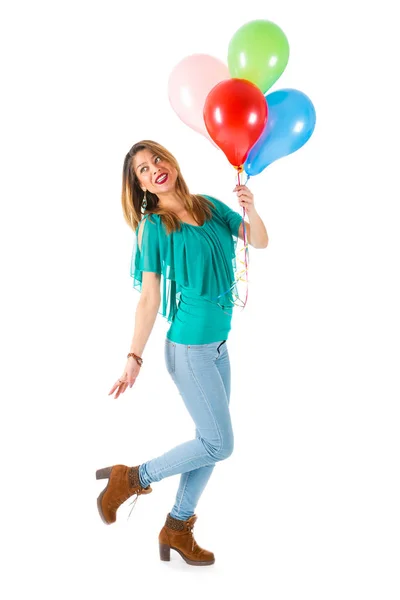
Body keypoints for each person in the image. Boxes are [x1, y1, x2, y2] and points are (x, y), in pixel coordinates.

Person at [96, 140, 269, 566]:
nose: (153, 168)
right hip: (188, 351)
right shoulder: (154, 226)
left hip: (218, 348)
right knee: (219, 443)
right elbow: (150, 296)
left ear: (170, 162)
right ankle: (132, 477)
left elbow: (259, 241)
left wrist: (251, 207)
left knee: (208, 443)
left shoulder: (209, 205)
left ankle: (176, 527)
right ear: (138, 185)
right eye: (141, 169)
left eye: (156, 159)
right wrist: (134, 356)